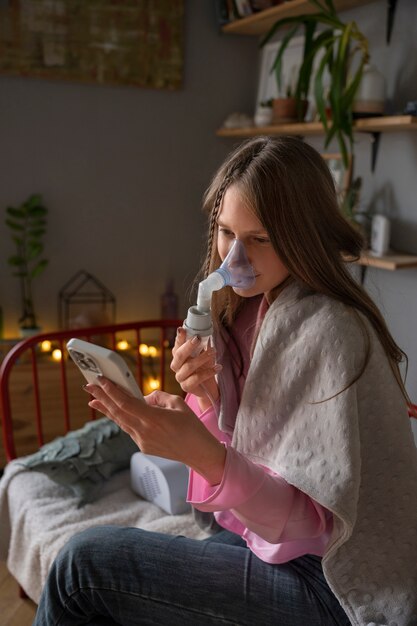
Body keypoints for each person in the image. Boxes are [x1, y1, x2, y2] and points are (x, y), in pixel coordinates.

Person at [33, 136, 417, 626]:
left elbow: (303, 524)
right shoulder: (250, 312)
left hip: (335, 585)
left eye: (260, 239)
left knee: (80, 566)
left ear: (305, 235)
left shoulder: (327, 328)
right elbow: (253, 469)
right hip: (270, 546)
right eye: (225, 232)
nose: (234, 259)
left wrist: (199, 451)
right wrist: (207, 402)